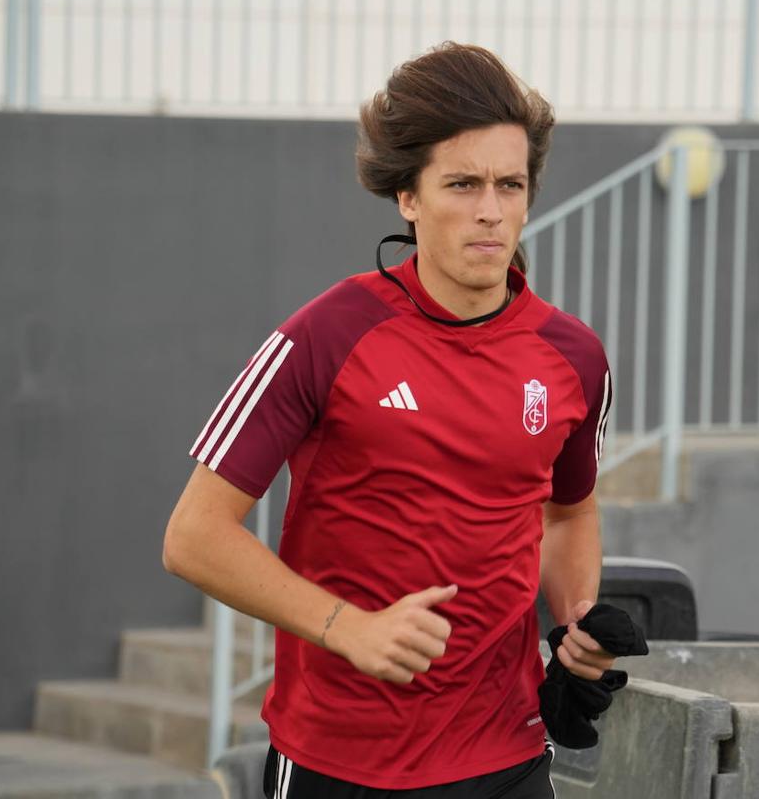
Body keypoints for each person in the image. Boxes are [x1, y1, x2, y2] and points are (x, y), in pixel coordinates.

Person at [163, 42, 615, 798]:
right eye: (462, 184)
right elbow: (193, 537)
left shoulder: (574, 357)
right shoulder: (325, 335)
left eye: (510, 185)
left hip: (508, 755)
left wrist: (577, 622)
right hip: (340, 761)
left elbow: (570, 516)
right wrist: (350, 628)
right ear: (408, 197)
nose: (490, 211)